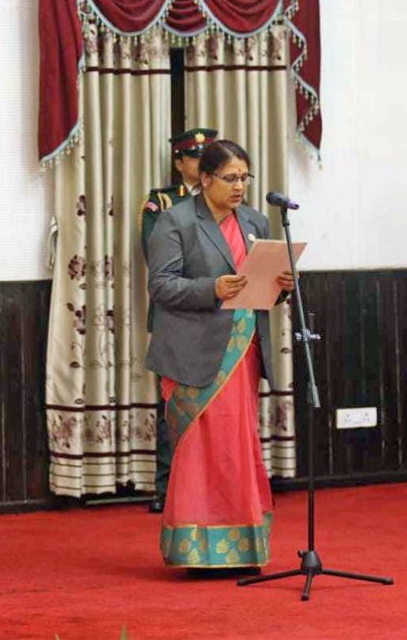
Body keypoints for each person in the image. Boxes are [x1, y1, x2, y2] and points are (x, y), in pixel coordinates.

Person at [145, 139, 294, 570]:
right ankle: (195, 551)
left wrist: (281, 286)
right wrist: (210, 288)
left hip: (243, 350)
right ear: (205, 178)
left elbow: (261, 290)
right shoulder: (174, 221)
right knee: (200, 448)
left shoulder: (255, 221)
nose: (239, 187)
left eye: (244, 178)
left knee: (237, 445)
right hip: (194, 350)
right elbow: (161, 285)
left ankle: (243, 548)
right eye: (230, 178)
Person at [139, 127, 218, 514]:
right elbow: (157, 259)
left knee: (217, 405)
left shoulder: (230, 208)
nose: (201, 164)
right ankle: (166, 487)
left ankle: (214, 485)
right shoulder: (163, 204)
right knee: (173, 403)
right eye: (194, 157)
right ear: (179, 163)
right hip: (176, 311)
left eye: (208, 158)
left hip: (222, 313)